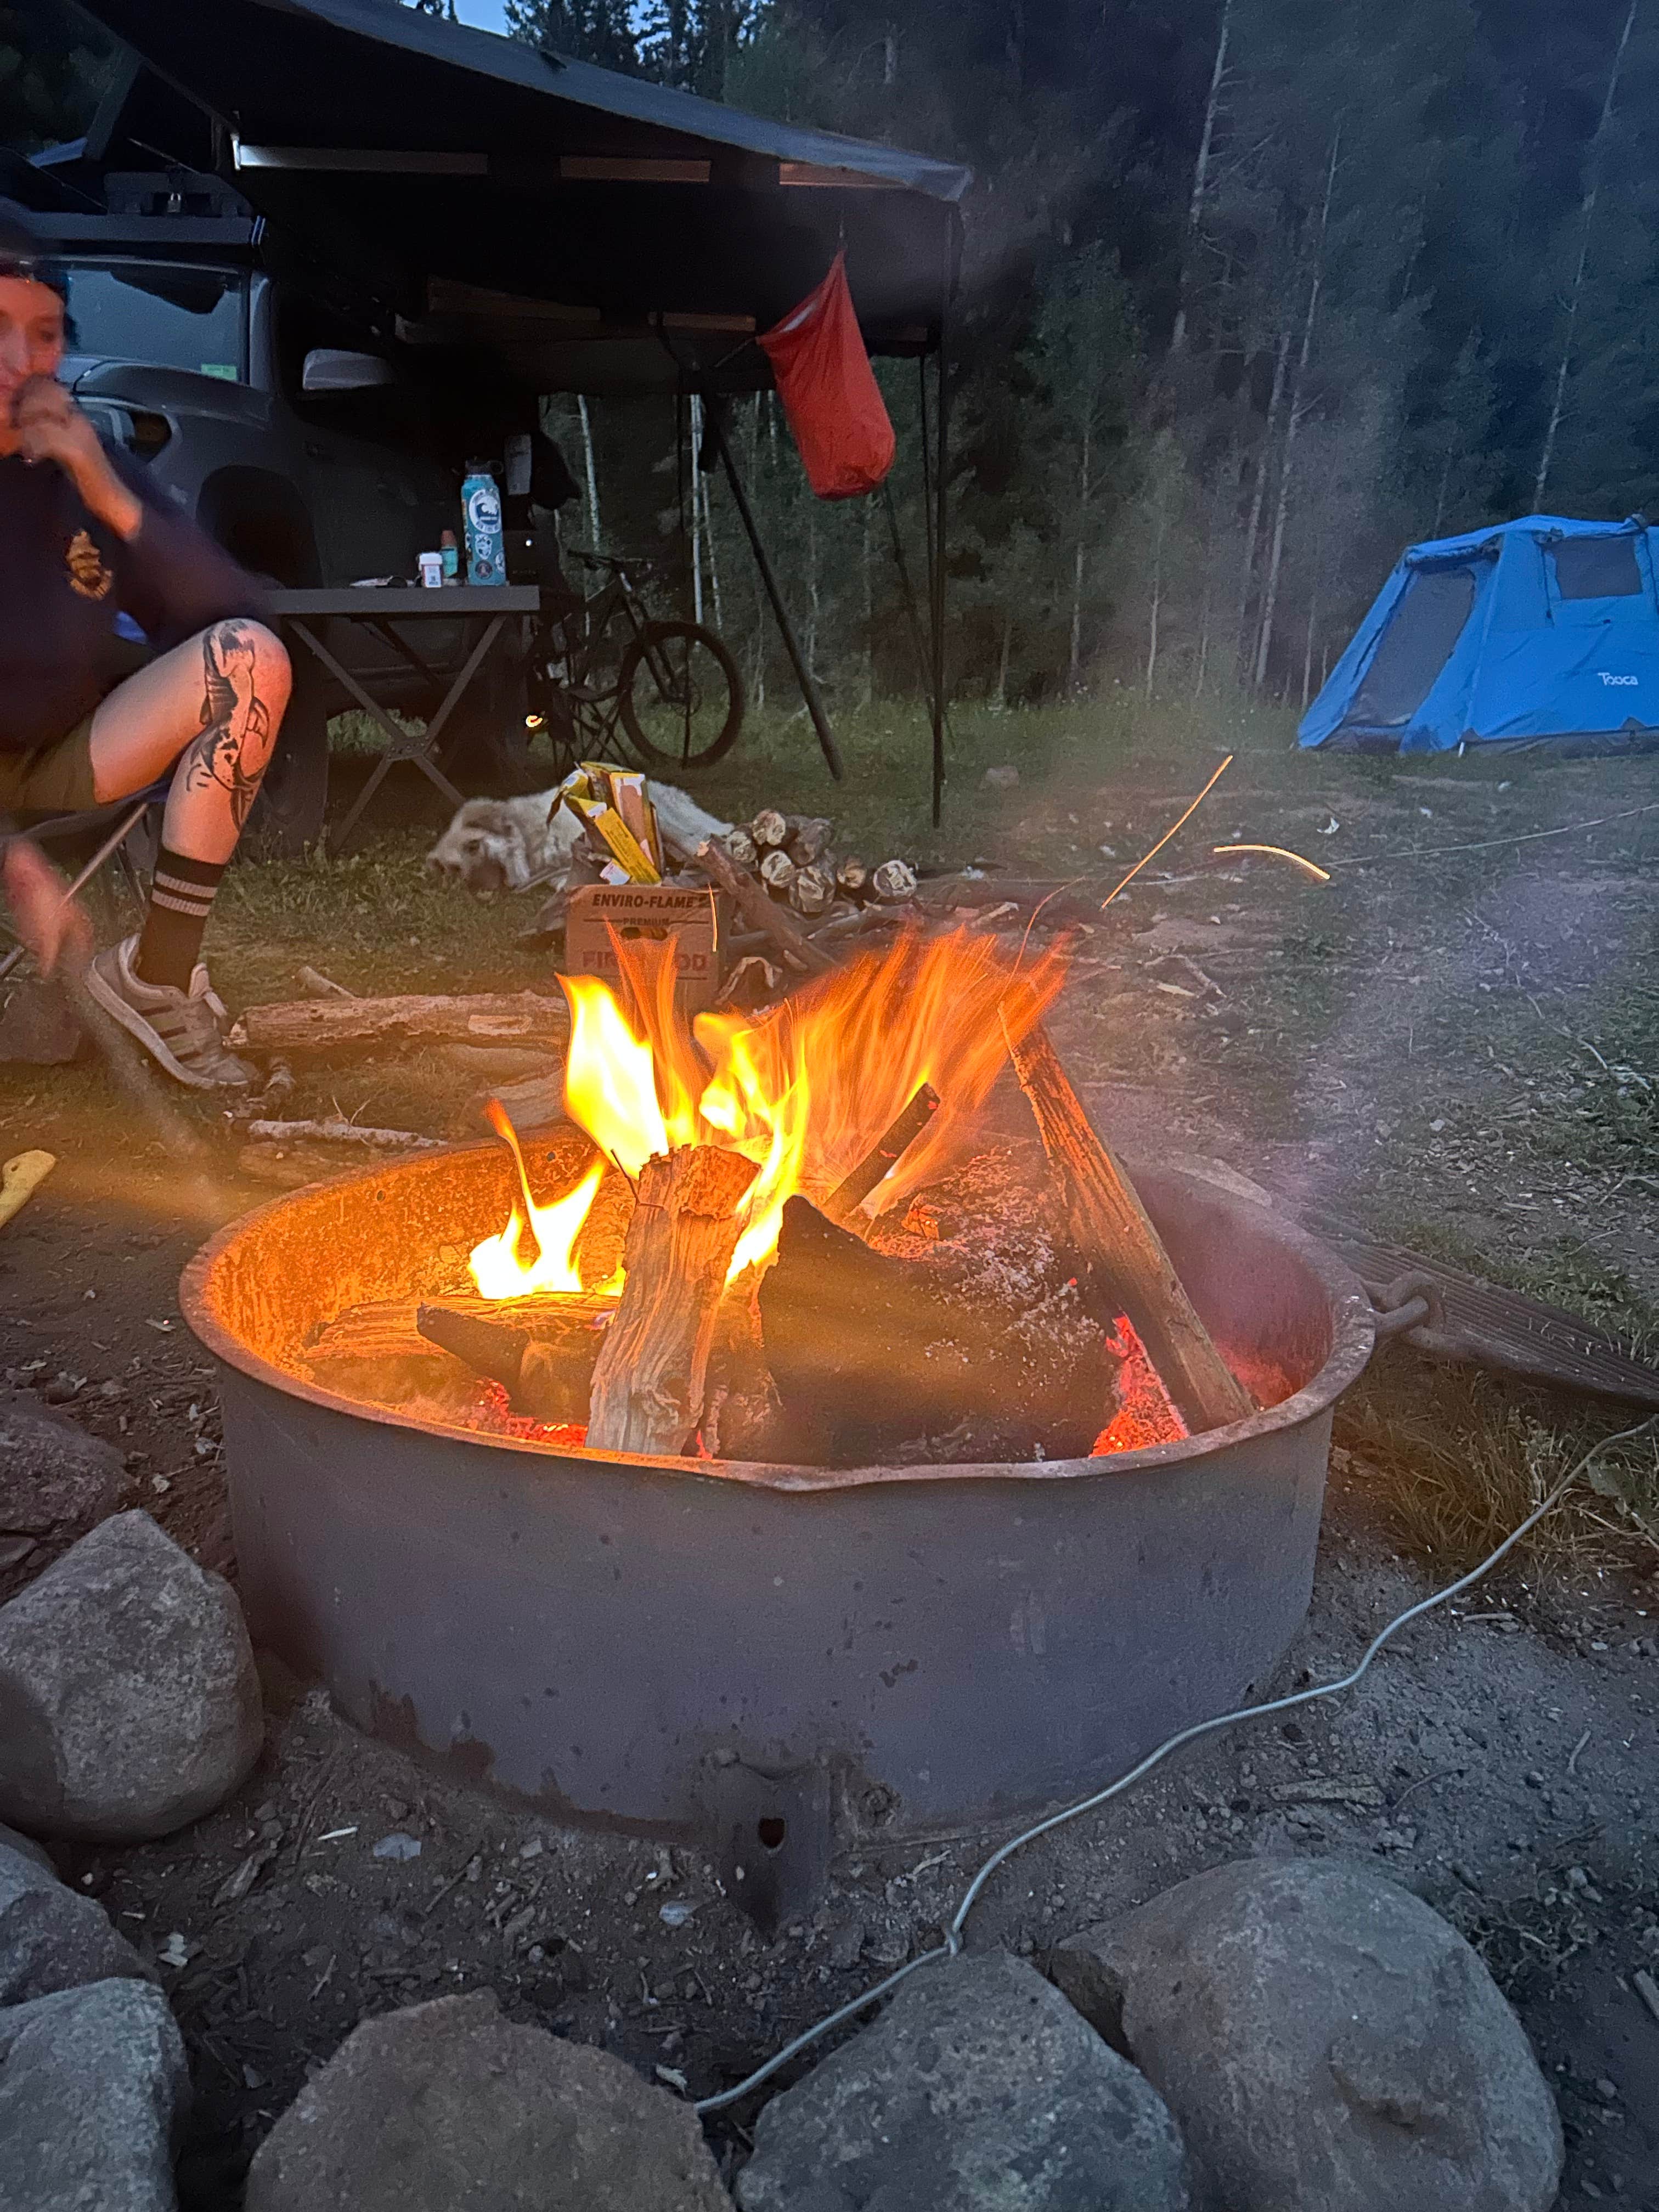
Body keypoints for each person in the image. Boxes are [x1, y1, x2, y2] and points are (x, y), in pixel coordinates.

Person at [0, 199, 289, 1088]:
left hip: (58, 749)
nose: (21, 364)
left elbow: (229, 609)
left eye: (44, 336)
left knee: (250, 661)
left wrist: (103, 484)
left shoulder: (85, 465)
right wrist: (14, 863)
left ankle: (157, 976)